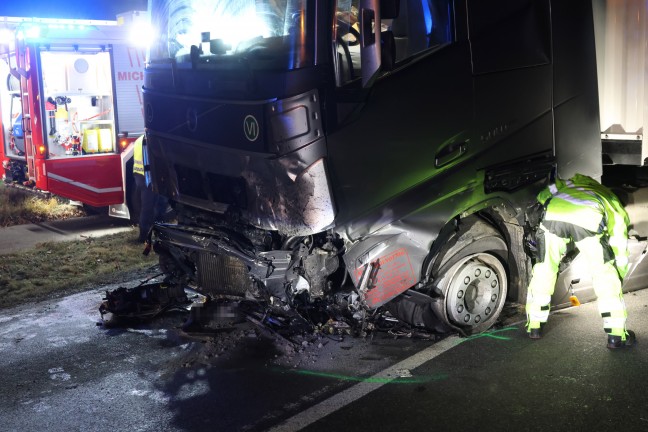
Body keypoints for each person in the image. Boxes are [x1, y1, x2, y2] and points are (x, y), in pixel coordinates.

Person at [525, 171, 635, 349]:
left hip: (553, 218)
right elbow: (619, 245)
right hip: (587, 221)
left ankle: (534, 327)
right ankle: (616, 336)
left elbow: (545, 193)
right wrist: (618, 274)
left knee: (544, 269)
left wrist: (550, 201)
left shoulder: (570, 184)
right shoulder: (614, 203)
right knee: (604, 274)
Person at [133, 134, 168, 243]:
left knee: (147, 208)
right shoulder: (152, 139)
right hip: (150, 178)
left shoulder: (139, 139)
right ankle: (152, 236)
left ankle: (147, 235)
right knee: (157, 207)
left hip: (140, 176)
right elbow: (153, 162)